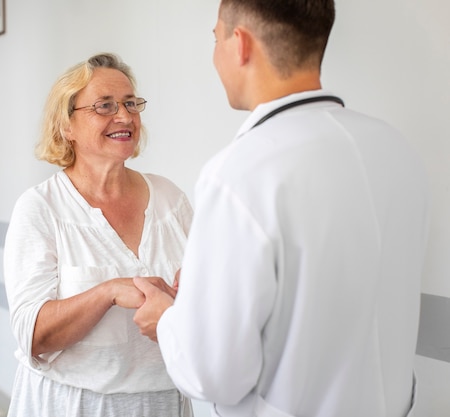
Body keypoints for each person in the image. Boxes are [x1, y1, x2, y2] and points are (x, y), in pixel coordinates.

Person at [133, 1, 430, 417]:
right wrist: (209, 296)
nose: (214, 54)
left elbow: (213, 374)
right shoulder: (397, 151)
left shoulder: (239, 173)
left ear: (240, 44)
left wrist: (167, 319)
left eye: (215, 39)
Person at [3, 53, 194, 417]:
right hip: (71, 404)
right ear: (66, 126)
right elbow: (33, 335)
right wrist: (107, 292)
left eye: (130, 103)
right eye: (104, 105)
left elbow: (204, 289)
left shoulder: (170, 199)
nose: (124, 116)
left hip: (163, 402)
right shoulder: (41, 209)